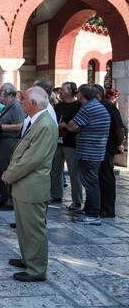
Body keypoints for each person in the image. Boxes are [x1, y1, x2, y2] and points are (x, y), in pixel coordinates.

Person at [3, 87, 58, 282]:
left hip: (32, 185)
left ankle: (36, 269)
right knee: (24, 227)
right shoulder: (38, 121)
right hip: (24, 185)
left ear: (33, 103)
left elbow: (32, 159)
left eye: (24, 99)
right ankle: (29, 259)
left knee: (33, 229)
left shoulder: (44, 125)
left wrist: (10, 175)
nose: (21, 102)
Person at [61, 84, 110, 226]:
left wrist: (70, 125)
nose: (77, 97)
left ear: (83, 96)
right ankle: (89, 209)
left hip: (89, 153)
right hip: (95, 151)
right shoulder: (98, 106)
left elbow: (72, 126)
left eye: (78, 95)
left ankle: (93, 214)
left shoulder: (88, 108)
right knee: (91, 182)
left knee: (91, 184)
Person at [0, 83, 24, 211]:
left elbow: (19, 125)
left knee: (7, 170)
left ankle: (10, 200)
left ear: (9, 93)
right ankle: (4, 196)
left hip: (10, 142)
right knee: (1, 169)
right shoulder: (8, 106)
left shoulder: (16, 106)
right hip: (2, 142)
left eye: (1, 91)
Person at [94, 84, 124, 218]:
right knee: (99, 177)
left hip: (107, 147)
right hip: (99, 147)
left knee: (106, 177)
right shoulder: (100, 106)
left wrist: (119, 144)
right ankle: (99, 206)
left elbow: (120, 128)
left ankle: (108, 209)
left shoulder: (109, 107)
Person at [51, 82, 82, 209]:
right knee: (55, 170)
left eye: (63, 90)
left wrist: (66, 126)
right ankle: (56, 194)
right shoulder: (59, 106)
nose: (60, 92)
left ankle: (77, 200)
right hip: (58, 142)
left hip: (71, 143)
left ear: (70, 91)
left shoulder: (77, 106)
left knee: (74, 172)